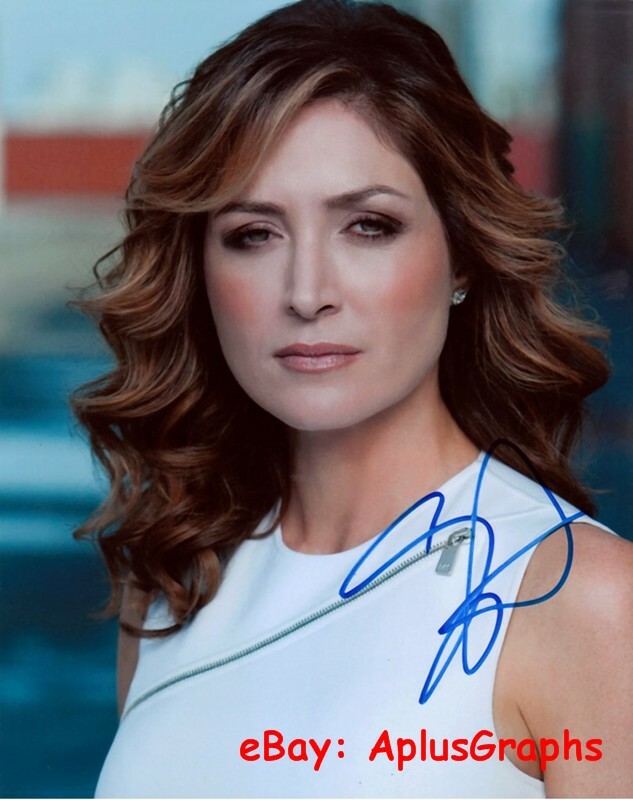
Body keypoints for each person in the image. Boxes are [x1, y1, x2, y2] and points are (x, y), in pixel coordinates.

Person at [73, 0, 633, 796]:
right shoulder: (175, 577)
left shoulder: (584, 600)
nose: (307, 293)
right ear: (199, 269)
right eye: (253, 234)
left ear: (462, 257)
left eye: (367, 226)